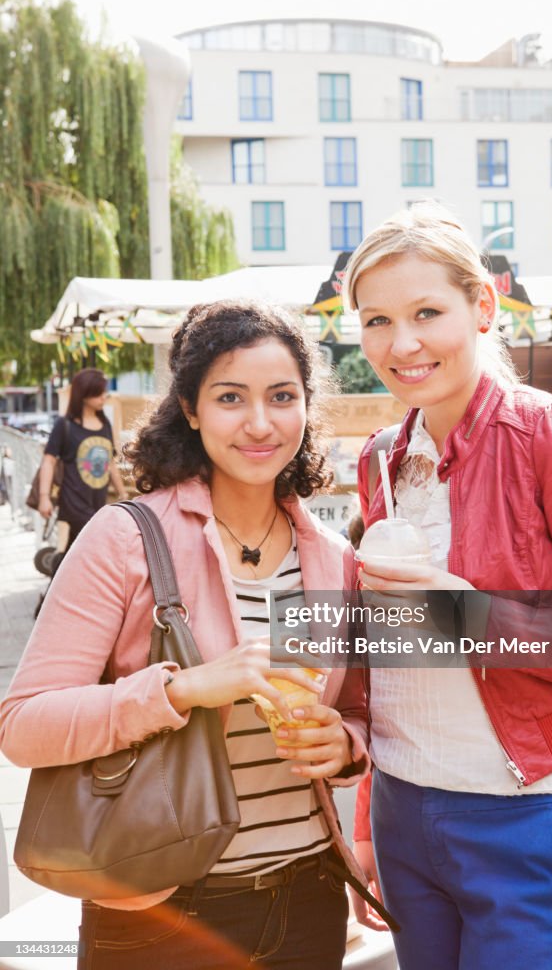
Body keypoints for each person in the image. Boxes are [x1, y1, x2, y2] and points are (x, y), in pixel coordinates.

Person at [342, 202, 552, 970]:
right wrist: (366, 817)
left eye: (428, 311)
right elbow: (389, 659)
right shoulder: (380, 461)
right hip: (404, 810)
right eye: (377, 320)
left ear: (484, 305)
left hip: (535, 819)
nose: (403, 344)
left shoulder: (551, 439)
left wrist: (466, 613)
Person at [0, 301, 370, 970]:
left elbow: (355, 712)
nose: (260, 423)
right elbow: (24, 725)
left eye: (282, 396)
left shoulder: (329, 556)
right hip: (162, 910)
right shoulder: (127, 539)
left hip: (309, 897)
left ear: (305, 408)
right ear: (192, 409)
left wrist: (344, 743)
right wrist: (184, 689)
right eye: (231, 398)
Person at [37, 367, 127, 550]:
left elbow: (110, 462)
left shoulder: (104, 424)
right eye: (98, 393)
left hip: (98, 503)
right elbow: (49, 461)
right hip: (73, 504)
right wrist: (44, 497)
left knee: (77, 557)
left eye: (104, 392)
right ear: (84, 394)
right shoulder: (65, 425)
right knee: (84, 553)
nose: (104, 397)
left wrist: (123, 493)